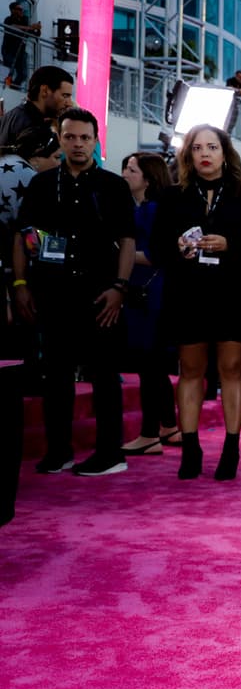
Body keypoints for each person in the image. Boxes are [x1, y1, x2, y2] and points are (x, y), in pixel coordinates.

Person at [11, 108, 136, 476]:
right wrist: (20, 286)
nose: (78, 144)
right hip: (53, 293)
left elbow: (127, 241)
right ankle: (59, 451)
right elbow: (23, 237)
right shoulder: (42, 184)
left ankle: (111, 453)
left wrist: (120, 287)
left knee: (104, 375)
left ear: (95, 140)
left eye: (85, 137)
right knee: (56, 376)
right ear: (60, 138)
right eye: (70, 137)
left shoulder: (113, 186)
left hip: (101, 295)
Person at [153, 125, 241, 480]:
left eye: (212, 147)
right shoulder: (173, 197)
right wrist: (178, 248)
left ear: (224, 152)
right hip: (188, 293)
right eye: (197, 147)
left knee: (232, 368)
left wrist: (229, 244)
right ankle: (190, 446)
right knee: (190, 370)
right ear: (188, 154)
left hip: (234, 293)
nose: (205, 153)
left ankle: (231, 446)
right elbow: (156, 248)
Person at [119, 152, 179, 456]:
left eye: (131, 170)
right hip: (146, 291)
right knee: (152, 364)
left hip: (150, 292)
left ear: (148, 177)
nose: (125, 174)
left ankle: (149, 434)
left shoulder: (151, 211)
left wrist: (119, 256)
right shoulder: (143, 208)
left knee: (149, 364)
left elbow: (158, 255)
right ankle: (168, 425)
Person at [0, 64, 75, 149]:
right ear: (45, 91)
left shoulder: (11, 116)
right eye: (65, 96)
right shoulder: (34, 129)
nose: (70, 103)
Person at [1, 2, 39, 88]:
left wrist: (37, 29)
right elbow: (12, 27)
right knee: (10, 70)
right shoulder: (8, 19)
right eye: (19, 9)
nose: (22, 11)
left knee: (23, 74)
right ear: (12, 10)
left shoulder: (24, 21)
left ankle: (13, 88)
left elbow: (33, 33)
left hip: (20, 52)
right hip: (9, 50)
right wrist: (30, 27)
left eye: (22, 9)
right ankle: (7, 87)